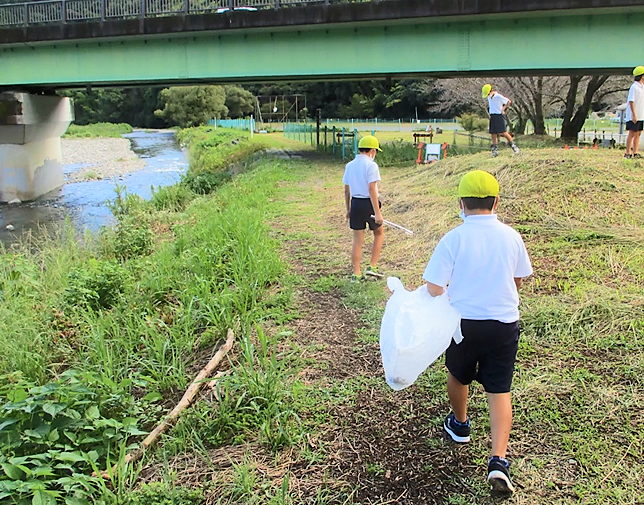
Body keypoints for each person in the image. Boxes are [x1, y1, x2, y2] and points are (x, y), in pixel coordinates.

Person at [422, 170, 533, 494]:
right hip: (503, 324)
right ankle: (498, 459)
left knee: (458, 374)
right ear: (496, 202)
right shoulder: (511, 236)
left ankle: (460, 424)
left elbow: (432, 287)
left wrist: (449, 298)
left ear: (461, 203)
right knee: (499, 389)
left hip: (463, 324)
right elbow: (518, 279)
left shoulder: (454, 238)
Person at [343, 135, 385, 283]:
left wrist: (348, 209)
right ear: (372, 151)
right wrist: (377, 213)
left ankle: (356, 274)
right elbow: (372, 189)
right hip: (369, 204)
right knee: (379, 233)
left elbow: (347, 190)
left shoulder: (350, 165)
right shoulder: (371, 166)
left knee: (357, 240)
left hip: (355, 203)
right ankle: (372, 267)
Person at [482, 84, 520, 158]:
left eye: (488, 94)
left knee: (504, 132)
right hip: (492, 116)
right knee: (493, 133)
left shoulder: (498, 96)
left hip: (499, 115)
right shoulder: (489, 98)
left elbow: (508, 101)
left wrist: (503, 109)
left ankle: (514, 147)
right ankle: (495, 150)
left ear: (492, 91)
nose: (488, 95)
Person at [624, 66, 644, 159]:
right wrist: (634, 115)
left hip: (641, 114)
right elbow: (631, 101)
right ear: (642, 76)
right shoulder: (634, 87)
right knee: (632, 133)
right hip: (633, 115)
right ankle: (627, 153)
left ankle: (635, 153)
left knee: (638, 133)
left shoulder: (642, 87)